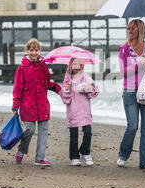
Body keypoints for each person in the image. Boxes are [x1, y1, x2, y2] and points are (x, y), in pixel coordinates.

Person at [12, 38, 61, 166]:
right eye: (31, 50)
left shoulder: (43, 65)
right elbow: (18, 87)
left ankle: (40, 158)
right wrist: (15, 105)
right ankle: (21, 150)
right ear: (27, 51)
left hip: (42, 104)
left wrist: (59, 90)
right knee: (30, 130)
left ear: (40, 51)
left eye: (36, 50)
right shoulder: (22, 68)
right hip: (28, 105)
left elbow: (47, 83)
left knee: (43, 131)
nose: (34, 53)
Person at [117, 19, 145, 170]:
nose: (129, 31)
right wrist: (139, 63)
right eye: (128, 29)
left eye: (133, 29)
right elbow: (123, 72)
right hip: (130, 91)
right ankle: (123, 154)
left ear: (140, 30)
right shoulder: (124, 49)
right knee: (133, 126)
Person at [60, 58, 99, 166]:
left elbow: (95, 91)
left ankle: (85, 151)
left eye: (81, 64)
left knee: (88, 132)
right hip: (73, 110)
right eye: (76, 64)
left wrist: (89, 88)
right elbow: (65, 99)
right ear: (71, 65)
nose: (79, 66)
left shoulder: (86, 77)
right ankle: (74, 156)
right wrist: (67, 90)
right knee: (74, 134)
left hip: (85, 110)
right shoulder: (68, 79)